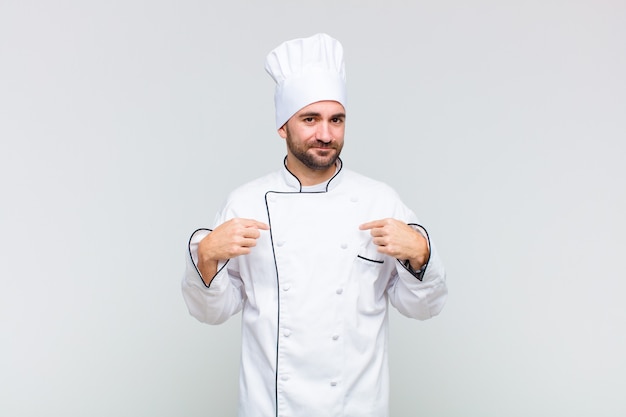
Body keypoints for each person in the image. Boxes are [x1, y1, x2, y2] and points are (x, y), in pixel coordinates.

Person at [182, 33, 447, 417]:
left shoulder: (379, 200)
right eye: (310, 119)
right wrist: (205, 256)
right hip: (270, 407)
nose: (325, 134)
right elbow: (212, 312)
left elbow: (424, 308)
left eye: (336, 120)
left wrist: (422, 255)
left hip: (356, 405)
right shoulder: (246, 203)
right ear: (282, 127)